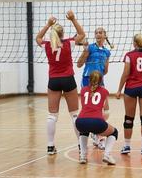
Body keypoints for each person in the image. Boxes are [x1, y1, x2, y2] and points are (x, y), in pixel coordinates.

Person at [36, 10, 85, 155]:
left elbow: (38, 37)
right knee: (75, 114)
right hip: (68, 79)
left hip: (54, 81)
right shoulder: (69, 43)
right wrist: (73, 19)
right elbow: (82, 35)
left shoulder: (47, 45)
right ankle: (81, 145)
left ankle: (50, 146)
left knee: (52, 115)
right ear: (63, 34)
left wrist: (48, 24)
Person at [116, 33, 142, 156]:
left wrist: (119, 90)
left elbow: (125, 74)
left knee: (129, 118)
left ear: (134, 43)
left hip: (131, 88)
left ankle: (127, 146)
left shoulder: (129, 55)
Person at [77, 27, 113, 149]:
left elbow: (106, 70)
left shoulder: (107, 52)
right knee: (89, 108)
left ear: (104, 35)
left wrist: (100, 70)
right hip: (88, 79)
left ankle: (96, 134)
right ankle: (99, 137)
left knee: (105, 110)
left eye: (100, 32)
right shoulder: (90, 47)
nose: (98, 34)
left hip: (100, 80)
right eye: (96, 32)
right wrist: (85, 52)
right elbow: (79, 64)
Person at [76, 71, 118, 165]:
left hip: (80, 121)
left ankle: (83, 156)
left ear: (89, 79)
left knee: (84, 131)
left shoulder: (83, 90)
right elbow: (106, 109)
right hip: (97, 121)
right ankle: (107, 155)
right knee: (114, 132)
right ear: (101, 80)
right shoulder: (104, 91)